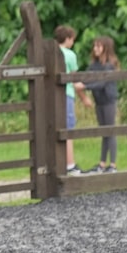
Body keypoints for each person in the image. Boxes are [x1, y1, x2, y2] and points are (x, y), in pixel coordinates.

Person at [81, 35, 120, 174]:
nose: (95, 49)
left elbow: (102, 83)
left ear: (105, 48)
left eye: (98, 46)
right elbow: (86, 77)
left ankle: (113, 165)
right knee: (104, 132)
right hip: (99, 102)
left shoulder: (110, 65)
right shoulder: (93, 65)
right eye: (94, 46)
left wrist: (85, 87)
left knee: (110, 131)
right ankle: (102, 164)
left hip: (109, 100)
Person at [55, 25, 89, 175]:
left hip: (51, 97)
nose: (73, 42)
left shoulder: (50, 54)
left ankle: (56, 163)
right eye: (72, 39)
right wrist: (85, 96)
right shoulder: (69, 55)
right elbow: (74, 81)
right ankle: (70, 164)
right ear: (67, 39)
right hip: (67, 95)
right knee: (68, 130)